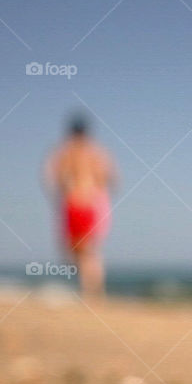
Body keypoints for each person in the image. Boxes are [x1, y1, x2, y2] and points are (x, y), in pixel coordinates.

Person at [43, 115, 117, 298]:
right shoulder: (97, 151)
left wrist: (59, 193)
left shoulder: (64, 151)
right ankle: (94, 290)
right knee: (88, 250)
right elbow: (113, 177)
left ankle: (91, 291)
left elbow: (49, 175)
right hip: (93, 203)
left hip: (74, 203)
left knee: (79, 251)